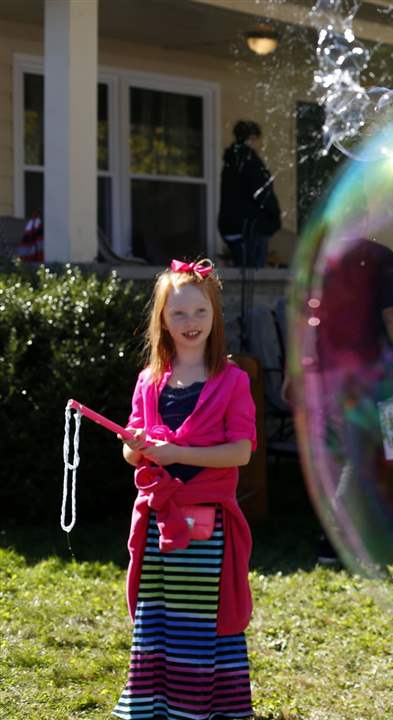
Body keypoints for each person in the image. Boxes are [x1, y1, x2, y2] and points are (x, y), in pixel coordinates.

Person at [113, 258, 257, 719]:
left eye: (200, 311)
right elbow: (132, 453)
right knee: (157, 619)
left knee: (201, 620)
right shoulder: (148, 382)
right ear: (162, 319)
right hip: (158, 525)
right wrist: (136, 447)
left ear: (215, 316)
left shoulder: (233, 381)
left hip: (206, 531)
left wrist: (176, 453)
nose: (190, 321)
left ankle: (199, 707)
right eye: (178, 313)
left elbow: (240, 452)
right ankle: (152, 705)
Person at [310, 237, 393, 566]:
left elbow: (307, 315)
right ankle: (334, 540)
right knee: (359, 455)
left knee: (344, 455)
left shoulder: (324, 258)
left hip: (326, 371)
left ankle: (381, 524)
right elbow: (392, 316)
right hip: (366, 373)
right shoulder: (381, 256)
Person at [218, 120, 281, 269]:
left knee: (242, 270)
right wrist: (274, 216)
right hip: (250, 228)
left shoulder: (231, 162)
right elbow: (263, 193)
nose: (261, 145)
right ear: (252, 139)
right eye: (259, 140)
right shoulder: (250, 161)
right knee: (254, 274)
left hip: (230, 226)